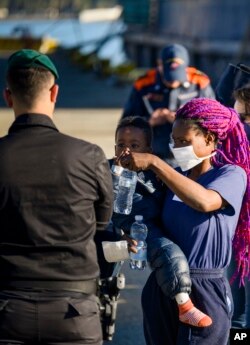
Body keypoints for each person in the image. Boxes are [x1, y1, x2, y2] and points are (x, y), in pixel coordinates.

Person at [0, 49, 113, 345]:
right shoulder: (89, 156)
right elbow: (101, 224)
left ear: (8, 96)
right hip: (75, 313)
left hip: (6, 310)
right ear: (54, 93)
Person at [118, 98, 250, 345]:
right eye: (174, 141)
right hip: (163, 286)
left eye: (184, 141)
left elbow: (205, 201)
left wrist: (156, 163)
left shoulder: (231, 174)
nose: (177, 148)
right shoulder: (173, 176)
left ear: (210, 139)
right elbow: (147, 220)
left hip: (205, 290)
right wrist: (130, 236)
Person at [100, 116, 212, 328]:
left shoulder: (157, 173)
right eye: (121, 145)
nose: (126, 151)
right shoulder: (103, 171)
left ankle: (184, 305)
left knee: (168, 252)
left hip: (146, 230)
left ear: (148, 151)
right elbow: (90, 210)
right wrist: (114, 232)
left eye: (135, 146)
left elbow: (179, 191)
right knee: (102, 277)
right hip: (112, 232)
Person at [122, 43, 215, 164]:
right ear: (160, 65)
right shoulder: (143, 85)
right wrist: (149, 122)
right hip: (153, 156)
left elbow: (214, 122)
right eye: (168, 76)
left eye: (177, 77)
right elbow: (125, 125)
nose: (173, 81)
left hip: (190, 157)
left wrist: (186, 120)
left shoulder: (200, 83)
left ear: (186, 67)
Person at [216, 62, 250, 329]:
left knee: (238, 306)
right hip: (241, 228)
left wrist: (232, 70)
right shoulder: (238, 131)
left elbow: (220, 100)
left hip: (239, 228)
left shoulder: (236, 135)